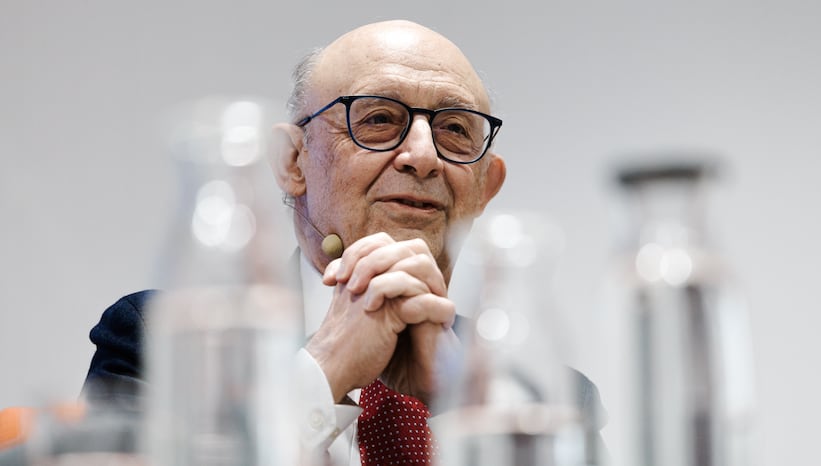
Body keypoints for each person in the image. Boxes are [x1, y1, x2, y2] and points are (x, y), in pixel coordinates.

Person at [82, 19, 605, 464]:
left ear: (486, 187)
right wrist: (320, 372)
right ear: (293, 161)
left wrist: (463, 417)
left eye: (454, 130)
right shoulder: (162, 342)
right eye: (378, 119)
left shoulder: (549, 403)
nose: (423, 156)